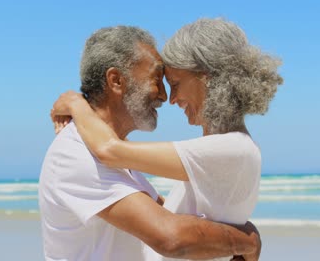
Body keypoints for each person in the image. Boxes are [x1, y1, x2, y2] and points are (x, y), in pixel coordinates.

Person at [51, 19, 283, 260]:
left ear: (206, 79)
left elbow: (109, 150)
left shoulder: (231, 148)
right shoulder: (229, 150)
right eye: (161, 83)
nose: (169, 98)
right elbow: (161, 211)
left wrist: (76, 104)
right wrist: (245, 239)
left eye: (174, 84)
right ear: (115, 80)